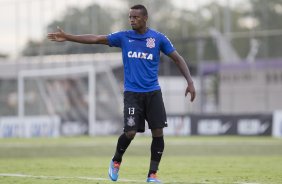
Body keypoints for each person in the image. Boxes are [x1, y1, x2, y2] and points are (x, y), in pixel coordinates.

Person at [47, 4, 196, 183]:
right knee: (131, 132)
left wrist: (190, 82)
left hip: (153, 93)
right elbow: (96, 38)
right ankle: (116, 160)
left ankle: (152, 175)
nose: (132, 20)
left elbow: (178, 59)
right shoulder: (124, 37)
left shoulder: (158, 39)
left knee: (158, 133)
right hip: (132, 94)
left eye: (135, 17)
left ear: (145, 18)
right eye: (130, 17)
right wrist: (68, 37)